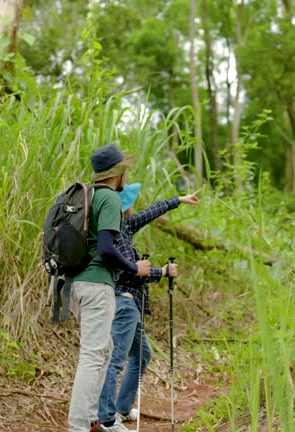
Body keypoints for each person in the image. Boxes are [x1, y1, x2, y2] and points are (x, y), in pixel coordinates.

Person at [96, 183, 201, 431]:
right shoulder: (115, 234)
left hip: (132, 305)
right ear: (124, 206)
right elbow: (128, 271)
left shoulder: (126, 226)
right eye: (131, 202)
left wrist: (179, 199)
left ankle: (122, 408)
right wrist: (161, 272)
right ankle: (107, 419)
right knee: (115, 360)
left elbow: (151, 211)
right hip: (123, 303)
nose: (135, 206)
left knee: (143, 354)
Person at [68, 144, 153, 432]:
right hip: (96, 285)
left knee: (105, 350)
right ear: (117, 173)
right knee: (93, 356)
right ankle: (78, 426)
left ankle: (93, 420)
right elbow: (106, 248)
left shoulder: (87, 195)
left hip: (77, 285)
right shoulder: (110, 199)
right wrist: (134, 268)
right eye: (125, 169)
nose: (127, 174)